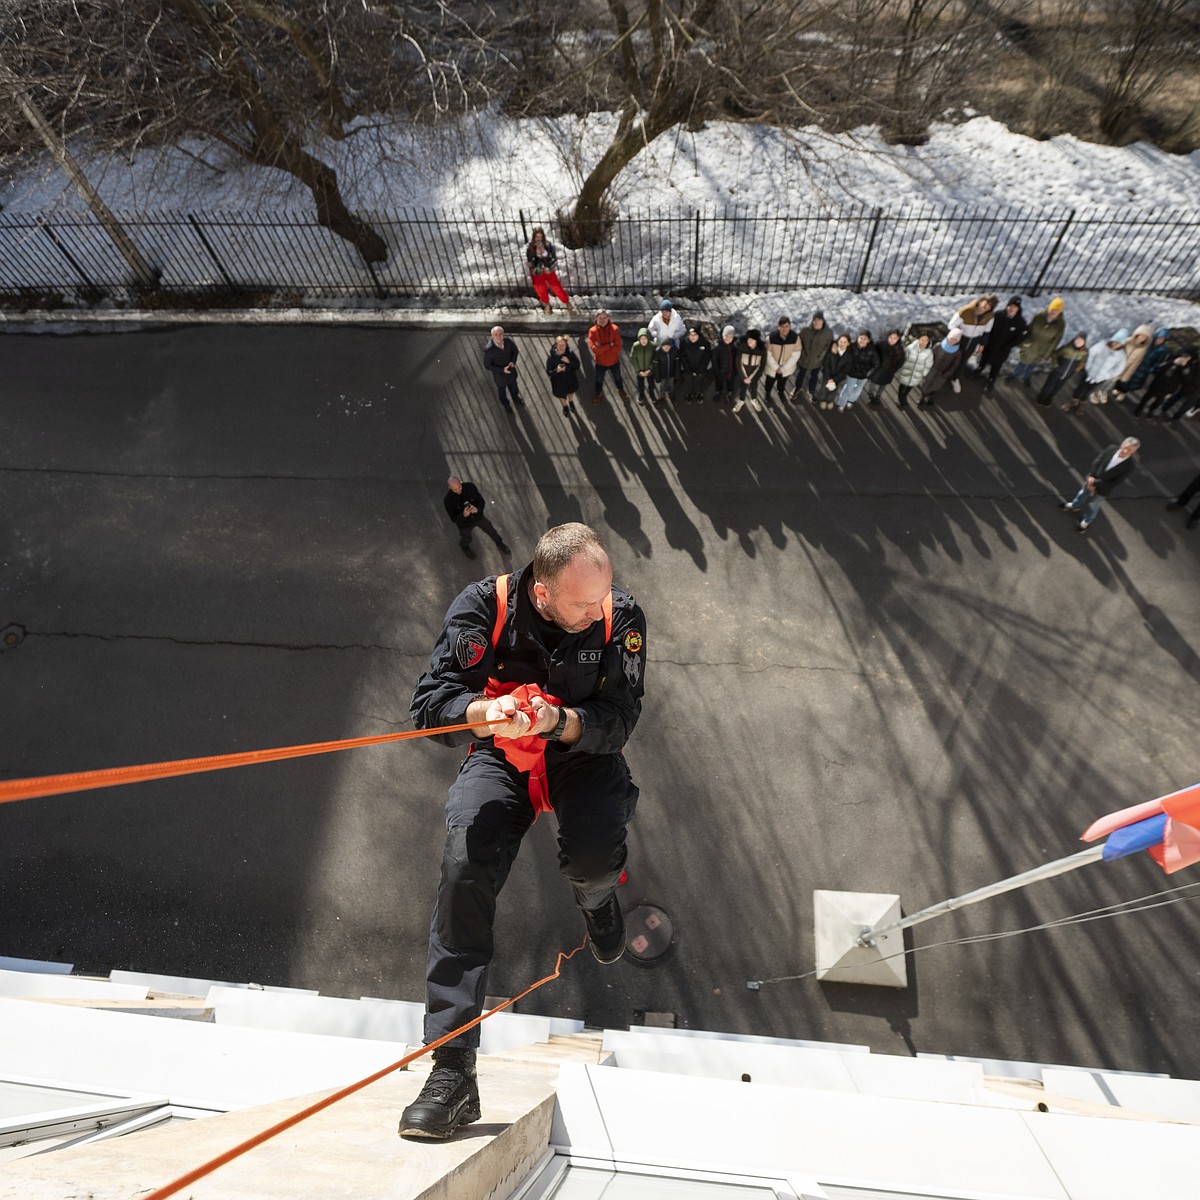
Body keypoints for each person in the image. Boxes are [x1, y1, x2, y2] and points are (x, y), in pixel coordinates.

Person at [401, 523, 646, 1140]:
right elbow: (431, 705)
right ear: (541, 594)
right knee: (464, 869)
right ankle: (453, 1070)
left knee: (593, 855)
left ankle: (597, 902)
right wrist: (484, 714)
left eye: (605, 594)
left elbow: (619, 718)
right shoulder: (485, 607)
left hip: (579, 749)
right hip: (500, 752)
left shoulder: (619, 616)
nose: (600, 610)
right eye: (582, 602)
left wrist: (560, 720)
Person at [1058, 437, 1139, 533]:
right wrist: (1090, 477)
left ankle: (1086, 521)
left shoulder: (1130, 464)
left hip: (1104, 488)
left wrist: (1094, 483)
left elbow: (1117, 481)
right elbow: (1097, 462)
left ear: (1134, 451)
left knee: (1094, 505)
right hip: (1092, 479)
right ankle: (1075, 505)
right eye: (1125, 447)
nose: (1125, 451)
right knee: (1082, 493)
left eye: (1130, 450)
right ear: (1122, 444)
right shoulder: (1111, 448)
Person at [1060, 329, 1127, 414]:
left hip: (1100, 378)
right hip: (1089, 373)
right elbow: (1090, 355)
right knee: (1080, 387)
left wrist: (1106, 375)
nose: (1115, 344)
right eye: (1115, 341)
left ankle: (1082, 402)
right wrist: (1088, 367)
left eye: (1118, 343)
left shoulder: (1121, 355)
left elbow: (1119, 369)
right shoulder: (1101, 345)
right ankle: (1073, 400)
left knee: (1089, 390)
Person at [444, 476, 511, 559]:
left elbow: (481, 501)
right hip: (464, 524)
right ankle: (464, 546)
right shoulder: (447, 500)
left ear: (461, 482)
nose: (458, 490)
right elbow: (453, 518)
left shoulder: (470, 487)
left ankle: (500, 543)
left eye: (459, 487)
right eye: (455, 489)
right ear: (449, 487)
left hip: (477, 517)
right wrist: (464, 515)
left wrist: (477, 509)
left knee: (491, 530)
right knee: (466, 538)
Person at [948, 294, 999, 389]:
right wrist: (956, 335)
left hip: (974, 341)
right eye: (986, 302)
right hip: (960, 339)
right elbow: (951, 325)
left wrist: (982, 344)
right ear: (981, 300)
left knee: (963, 360)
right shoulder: (966, 311)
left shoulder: (989, 317)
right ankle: (944, 375)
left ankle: (955, 378)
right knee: (952, 358)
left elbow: (986, 332)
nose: (986, 306)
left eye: (990, 305)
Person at [1013, 297, 1064, 388]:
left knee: (1032, 365)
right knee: (1022, 362)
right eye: (1052, 308)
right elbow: (1029, 329)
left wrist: (1047, 354)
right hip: (1030, 345)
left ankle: (1026, 377)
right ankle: (1014, 376)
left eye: (1056, 310)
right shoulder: (1039, 316)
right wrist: (1022, 342)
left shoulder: (1060, 324)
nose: (1053, 311)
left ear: (1060, 312)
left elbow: (1056, 341)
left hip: (1041, 349)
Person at [980, 297, 1027, 393]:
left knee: (996, 365)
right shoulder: (998, 315)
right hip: (991, 344)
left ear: (1018, 309)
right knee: (984, 358)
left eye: (1014, 307)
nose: (1011, 308)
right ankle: (979, 369)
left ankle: (991, 380)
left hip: (1003, 348)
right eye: (1010, 306)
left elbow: (1020, 338)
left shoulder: (1020, 322)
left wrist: (1009, 345)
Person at [1113, 325, 1171, 402]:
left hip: (1144, 369)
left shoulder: (1163, 350)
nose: (1160, 340)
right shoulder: (1148, 343)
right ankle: (1117, 388)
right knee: (1125, 376)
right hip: (1137, 364)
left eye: (1162, 339)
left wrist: (1150, 369)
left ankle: (1123, 392)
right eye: (1159, 337)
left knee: (1132, 383)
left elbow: (1158, 362)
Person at [525, 227, 571, 315]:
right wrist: (536, 255)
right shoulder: (530, 247)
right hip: (537, 272)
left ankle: (567, 302)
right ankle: (547, 304)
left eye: (540, 237)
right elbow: (530, 260)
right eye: (537, 237)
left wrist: (546, 254)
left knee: (556, 287)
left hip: (548, 270)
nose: (539, 239)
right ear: (534, 237)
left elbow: (553, 258)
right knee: (540, 289)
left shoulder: (548, 245)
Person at [1138, 348, 1195, 419]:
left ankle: (1151, 410)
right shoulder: (1173, 357)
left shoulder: (1189, 367)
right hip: (1159, 382)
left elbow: (1187, 379)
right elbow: (1160, 367)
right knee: (1147, 396)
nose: (1184, 358)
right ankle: (1139, 409)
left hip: (1170, 387)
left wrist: (1183, 367)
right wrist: (1172, 363)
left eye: (1187, 357)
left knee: (1159, 400)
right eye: (1184, 356)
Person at [1036, 332, 1088, 408]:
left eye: (1081, 341)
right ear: (1074, 339)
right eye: (1078, 340)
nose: (1078, 342)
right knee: (1048, 386)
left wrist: (1076, 370)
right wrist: (1056, 366)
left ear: (1084, 343)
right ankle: (1041, 398)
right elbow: (1054, 355)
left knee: (1057, 387)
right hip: (1057, 371)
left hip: (1068, 374)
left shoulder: (1084, 352)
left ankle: (1049, 398)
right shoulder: (1066, 349)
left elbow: (1083, 362)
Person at [587, 310, 628, 403]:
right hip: (600, 362)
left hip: (614, 361)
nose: (602, 320)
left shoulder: (615, 329)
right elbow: (594, 349)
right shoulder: (592, 331)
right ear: (596, 319)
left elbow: (617, 347)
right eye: (600, 318)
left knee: (618, 377)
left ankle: (621, 390)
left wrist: (601, 347)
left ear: (608, 318)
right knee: (598, 379)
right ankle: (598, 393)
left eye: (604, 317)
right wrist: (609, 345)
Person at [1103, 324, 1152, 402]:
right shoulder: (1127, 341)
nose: (1141, 338)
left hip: (1123, 370)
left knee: (1110, 383)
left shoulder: (1142, 349)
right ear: (1137, 334)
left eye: (1144, 337)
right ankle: (1098, 392)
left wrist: (1126, 376)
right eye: (1140, 335)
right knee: (1104, 381)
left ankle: (1102, 393)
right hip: (1114, 366)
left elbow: (1135, 364)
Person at [917, 328, 964, 407]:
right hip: (933, 369)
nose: (952, 341)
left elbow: (955, 365)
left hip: (943, 372)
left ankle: (930, 396)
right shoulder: (939, 345)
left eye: (955, 340)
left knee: (937, 385)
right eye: (951, 338)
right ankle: (922, 396)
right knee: (927, 383)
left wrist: (948, 373)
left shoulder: (957, 352)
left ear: (957, 341)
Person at [837, 330, 880, 412]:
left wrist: (868, 374)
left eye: (865, 339)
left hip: (864, 376)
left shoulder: (872, 350)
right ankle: (842, 404)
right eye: (860, 338)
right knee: (848, 389)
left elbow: (876, 364)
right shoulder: (852, 347)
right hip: (852, 373)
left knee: (858, 389)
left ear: (869, 340)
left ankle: (851, 400)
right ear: (857, 338)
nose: (862, 340)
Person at [483, 326, 524, 412]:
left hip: (511, 372)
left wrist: (513, 361)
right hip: (500, 377)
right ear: (492, 336)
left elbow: (515, 351)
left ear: (503, 334)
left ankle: (515, 398)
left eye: (500, 334)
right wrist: (502, 370)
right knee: (502, 392)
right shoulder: (489, 349)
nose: (498, 336)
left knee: (514, 388)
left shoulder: (508, 342)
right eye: (496, 334)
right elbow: (487, 365)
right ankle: (506, 404)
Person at [795, 311, 833, 402]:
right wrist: (801, 354)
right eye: (814, 320)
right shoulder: (805, 331)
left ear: (823, 321)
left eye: (819, 320)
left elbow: (828, 346)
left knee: (814, 376)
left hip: (817, 361)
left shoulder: (828, 333)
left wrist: (822, 356)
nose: (816, 322)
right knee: (801, 374)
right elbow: (798, 343)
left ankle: (811, 391)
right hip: (804, 359)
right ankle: (797, 388)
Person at [764, 316, 801, 406]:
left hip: (786, 368)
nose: (784, 329)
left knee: (782, 382)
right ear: (779, 327)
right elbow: (768, 354)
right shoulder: (771, 338)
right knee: (769, 381)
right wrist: (776, 367)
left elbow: (796, 355)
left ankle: (780, 392)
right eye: (782, 326)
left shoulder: (795, 338)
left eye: (787, 326)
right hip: (773, 367)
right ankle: (767, 393)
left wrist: (783, 368)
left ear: (790, 326)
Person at [545, 335, 582, 418]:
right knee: (561, 396)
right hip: (558, 382)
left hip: (570, 380)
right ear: (556, 345)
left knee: (570, 392)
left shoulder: (570, 353)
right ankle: (565, 406)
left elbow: (577, 365)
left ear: (566, 345)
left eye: (563, 345)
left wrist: (569, 362)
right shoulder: (551, 358)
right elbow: (549, 372)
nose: (561, 347)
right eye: (559, 345)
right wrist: (556, 370)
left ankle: (571, 401)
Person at [894, 332, 933, 408]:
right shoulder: (912, 347)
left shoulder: (928, 351)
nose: (923, 342)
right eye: (922, 339)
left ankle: (904, 396)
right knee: (903, 384)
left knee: (910, 386)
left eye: (926, 340)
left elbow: (929, 362)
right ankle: (899, 396)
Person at [867, 329, 904, 406]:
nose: (892, 340)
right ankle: (871, 395)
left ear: (898, 339)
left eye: (895, 338)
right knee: (873, 383)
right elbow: (873, 355)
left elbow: (900, 363)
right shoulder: (880, 344)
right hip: (877, 370)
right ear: (888, 337)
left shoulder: (900, 350)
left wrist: (892, 370)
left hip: (888, 372)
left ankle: (878, 396)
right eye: (891, 337)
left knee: (883, 385)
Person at [679, 323, 713, 404]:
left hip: (700, 368)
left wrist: (700, 370)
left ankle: (699, 393)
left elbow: (706, 357)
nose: (692, 337)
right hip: (688, 367)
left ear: (699, 335)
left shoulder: (705, 343)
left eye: (695, 335)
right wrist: (687, 369)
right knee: (688, 381)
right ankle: (689, 394)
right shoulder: (684, 342)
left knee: (699, 382)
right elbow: (683, 357)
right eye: (691, 334)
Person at [734, 329, 765, 413]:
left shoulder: (761, 350)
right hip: (743, 375)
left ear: (756, 341)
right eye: (749, 339)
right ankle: (741, 400)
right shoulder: (742, 347)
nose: (750, 341)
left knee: (754, 388)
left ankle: (754, 399)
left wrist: (752, 377)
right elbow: (738, 363)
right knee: (742, 388)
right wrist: (744, 377)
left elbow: (761, 365)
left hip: (754, 376)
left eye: (752, 339)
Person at [819, 333, 852, 410]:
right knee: (824, 388)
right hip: (828, 375)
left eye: (844, 342)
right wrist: (829, 378)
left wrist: (835, 379)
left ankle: (830, 401)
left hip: (838, 377)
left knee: (834, 390)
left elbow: (846, 370)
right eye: (840, 341)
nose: (842, 344)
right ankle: (823, 400)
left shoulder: (849, 356)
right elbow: (826, 364)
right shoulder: (832, 350)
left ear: (848, 344)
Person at [712, 325, 739, 405]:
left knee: (730, 383)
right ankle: (718, 391)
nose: (728, 338)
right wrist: (717, 371)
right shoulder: (718, 347)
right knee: (719, 382)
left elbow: (737, 358)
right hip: (721, 371)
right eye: (726, 336)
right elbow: (714, 360)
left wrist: (736, 369)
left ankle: (730, 392)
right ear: (723, 335)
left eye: (730, 337)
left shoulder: (734, 346)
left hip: (731, 371)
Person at [630, 327, 655, 405]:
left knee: (651, 384)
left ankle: (651, 393)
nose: (643, 340)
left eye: (645, 338)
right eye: (641, 338)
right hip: (640, 370)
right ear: (639, 339)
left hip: (649, 370)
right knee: (640, 384)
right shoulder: (636, 346)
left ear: (648, 338)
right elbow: (633, 358)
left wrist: (650, 369)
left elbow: (655, 358)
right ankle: (641, 394)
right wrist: (638, 370)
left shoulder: (652, 346)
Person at [652, 336, 678, 405]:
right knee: (662, 386)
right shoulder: (658, 352)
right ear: (661, 346)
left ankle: (671, 394)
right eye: (664, 346)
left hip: (671, 373)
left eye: (668, 346)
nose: (666, 347)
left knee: (671, 385)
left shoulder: (674, 351)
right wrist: (657, 377)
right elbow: (656, 366)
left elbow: (677, 364)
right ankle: (662, 397)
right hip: (662, 374)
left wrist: (676, 374)